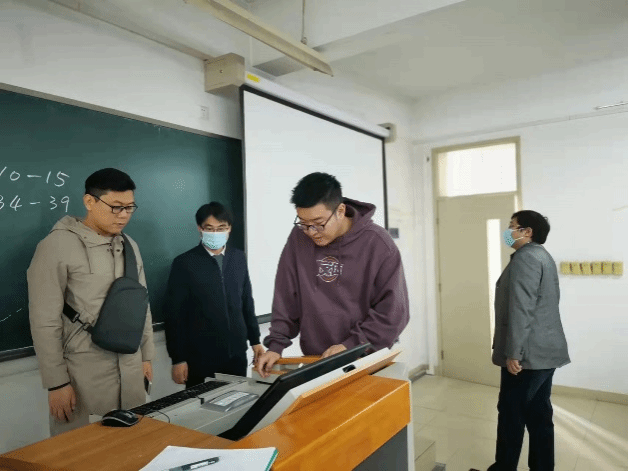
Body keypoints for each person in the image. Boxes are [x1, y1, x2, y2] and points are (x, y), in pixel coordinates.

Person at [27, 168, 154, 436]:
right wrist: (56, 383)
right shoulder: (56, 246)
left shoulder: (130, 245)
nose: (124, 215)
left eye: (130, 208)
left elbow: (141, 304)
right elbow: (44, 320)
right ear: (89, 201)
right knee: (82, 450)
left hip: (131, 370)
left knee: (132, 447)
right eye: (116, 207)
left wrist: (146, 356)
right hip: (83, 376)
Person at [256, 172, 409, 378]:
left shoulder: (378, 244)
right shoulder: (299, 238)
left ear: (340, 211)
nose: (311, 231)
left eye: (318, 223)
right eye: (303, 223)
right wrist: (276, 346)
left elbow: (394, 312)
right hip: (316, 360)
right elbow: (286, 295)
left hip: (365, 359)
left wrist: (351, 346)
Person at [487, 210, 570, 471]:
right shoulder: (542, 256)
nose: (508, 231)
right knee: (538, 414)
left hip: (527, 356)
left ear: (527, 231)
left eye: (512, 226)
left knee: (511, 414)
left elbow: (522, 308)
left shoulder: (526, 258)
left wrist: (514, 352)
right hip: (545, 353)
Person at [164, 202, 264, 388]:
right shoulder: (184, 263)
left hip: (236, 353)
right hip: (200, 357)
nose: (216, 233)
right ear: (200, 228)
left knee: (236, 399)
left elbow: (246, 301)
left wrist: (255, 341)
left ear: (229, 228)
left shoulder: (238, 258)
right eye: (209, 228)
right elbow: (174, 315)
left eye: (221, 228)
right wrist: (178, 359)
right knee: (201, 402)